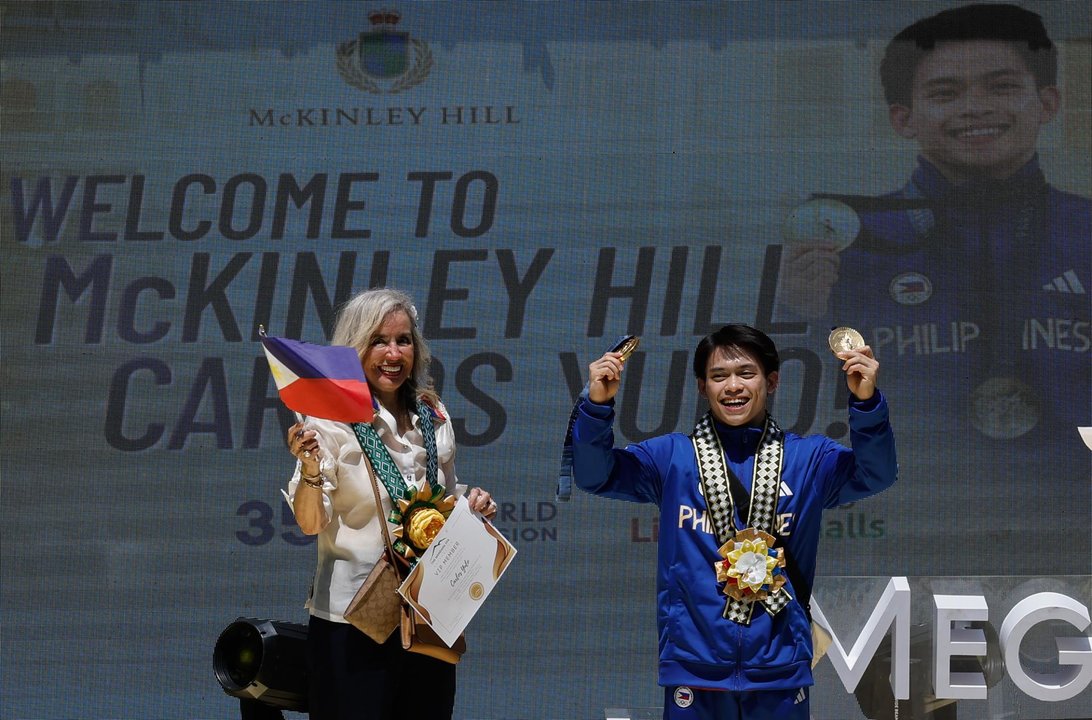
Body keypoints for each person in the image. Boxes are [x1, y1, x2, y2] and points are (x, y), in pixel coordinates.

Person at [775, 3, 1089, 575]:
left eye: (1001, 86)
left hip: (1073, 539)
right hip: (899, 544)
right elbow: (784, 408)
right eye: (945, 92)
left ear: (1048, 102)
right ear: (903, 117)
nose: (975, 107)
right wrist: (793, 314)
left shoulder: (1087, 233)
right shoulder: (845, 244)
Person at [570, 325, 897, 720]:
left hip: (779, 669)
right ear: (701, 387)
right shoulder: (672, 457)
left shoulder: (809, 459)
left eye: (746, 373)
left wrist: (866, 402)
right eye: (718, 376)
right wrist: (596, 407)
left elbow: (876, 474)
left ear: (771, 381)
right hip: (695, 667)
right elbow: (594, 475)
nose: (732, 386)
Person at [284, 287, 498, 720]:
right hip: (354, 622)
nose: (393, 353)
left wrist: (470, 508)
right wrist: (309, 468)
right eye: (379, 341)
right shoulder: (330, 423)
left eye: (404, 340)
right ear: (355, 348)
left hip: (428, 615)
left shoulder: (433, 417)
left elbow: (442, 501)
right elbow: (310, 523)